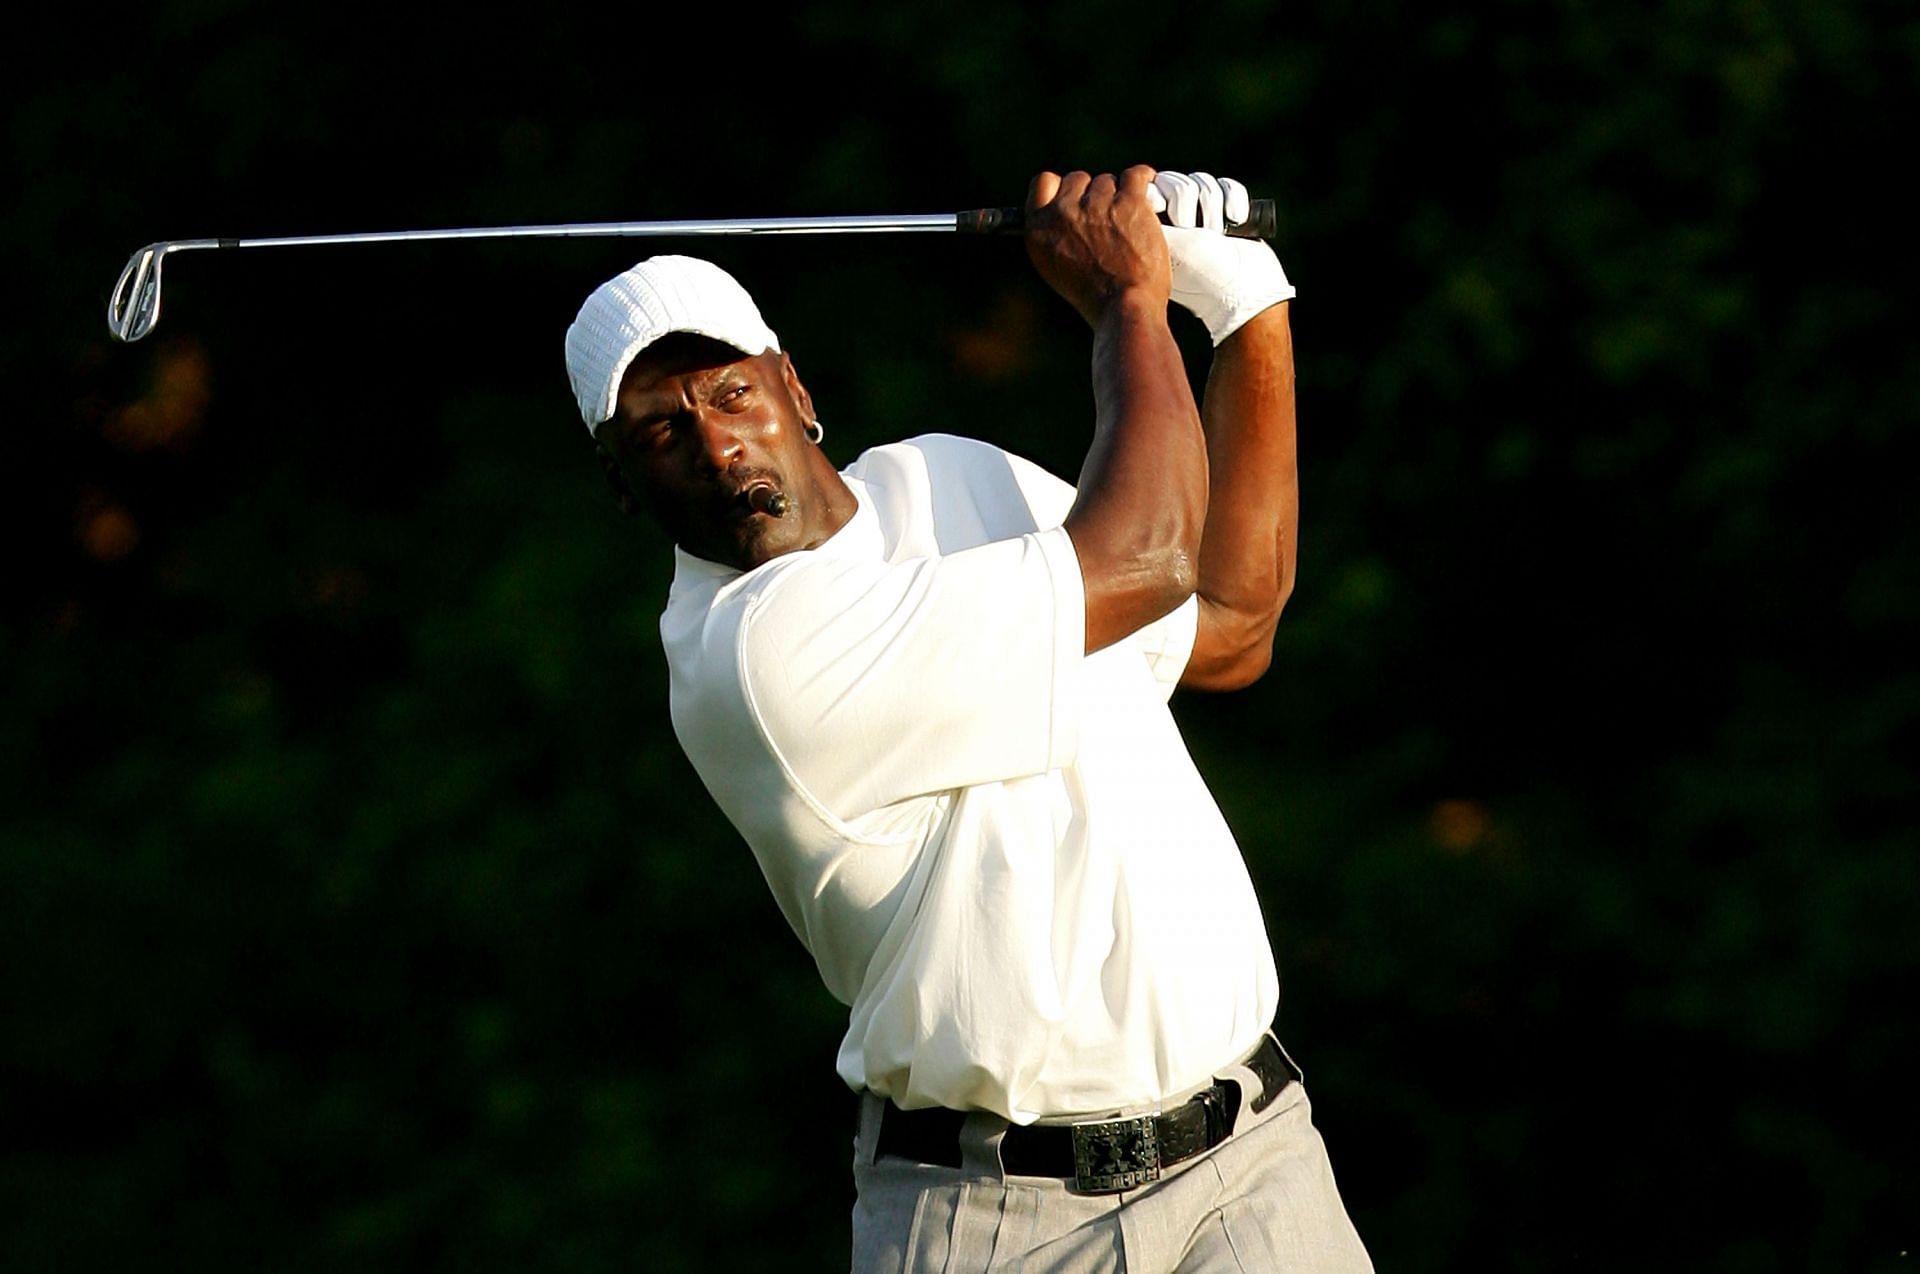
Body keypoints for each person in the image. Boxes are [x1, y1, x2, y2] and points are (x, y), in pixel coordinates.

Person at [563, 167, 1372, 1271]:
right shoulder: (752, 654)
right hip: (1000, 1219)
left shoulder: (945, 475)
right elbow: (1141, 560)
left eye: (730, 393)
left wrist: (1247, 314)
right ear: (622, 485)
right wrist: (1129, 298)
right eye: (659, 433)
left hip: (1253, 1167)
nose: (717, 446)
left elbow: (1230, 622)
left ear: (794, 388)